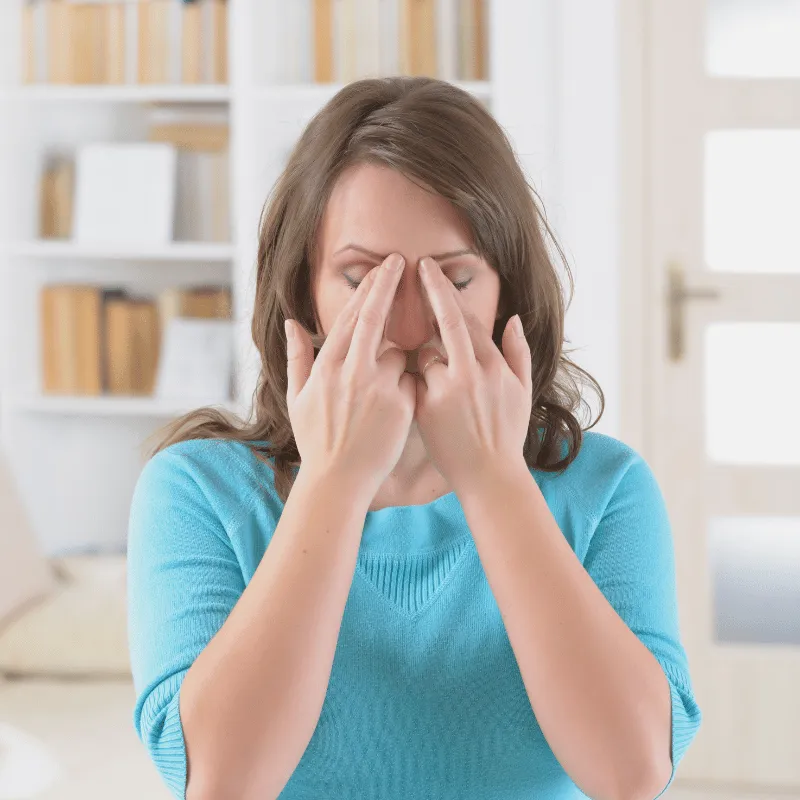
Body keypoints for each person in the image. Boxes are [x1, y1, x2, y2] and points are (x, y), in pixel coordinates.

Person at [127, 76, 701, 800]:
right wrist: (335, 480)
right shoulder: (197, 492)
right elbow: (219, 781)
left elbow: (633, 773)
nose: (405, 326)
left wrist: (493, 478)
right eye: (362, 278)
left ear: (507, 294)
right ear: (304, 292)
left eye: (453, 280)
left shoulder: (607, 490)